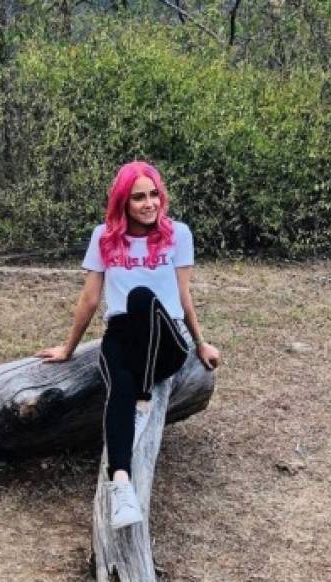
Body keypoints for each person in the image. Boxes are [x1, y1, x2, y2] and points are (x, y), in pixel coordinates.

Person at [36, 161, 220, 530]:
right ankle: (121, 484)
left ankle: (143, 395)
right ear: (124, 201)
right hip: (120, 335)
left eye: (154, 195)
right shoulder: (104, 237)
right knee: (117, 385)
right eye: (139, 197)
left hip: (166, 338)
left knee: (140, 298)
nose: (149, 203)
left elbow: (183, 295)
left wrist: (201, 343)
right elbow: (90, 299)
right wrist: (68, 349)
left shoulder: (178, 234)